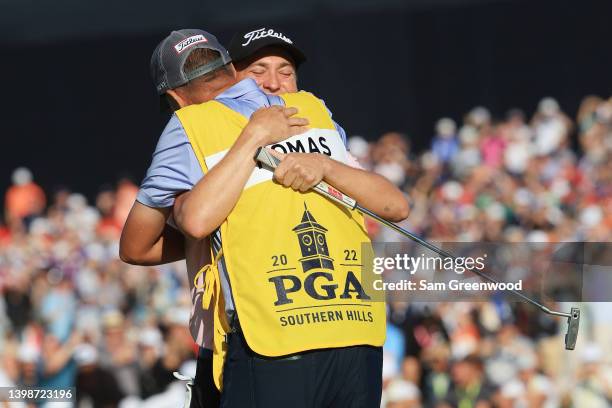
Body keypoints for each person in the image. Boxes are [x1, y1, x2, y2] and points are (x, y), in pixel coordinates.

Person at [120, 28, 409, 407]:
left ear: (174, 96)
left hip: (271, 334)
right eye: (260, 70)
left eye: (284, 71)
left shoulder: (192, 123)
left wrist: (255, 142)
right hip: (357, 328)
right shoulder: (312, 110)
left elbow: (150, 240)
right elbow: (397, 207)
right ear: (232, 70)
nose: (270, 84)